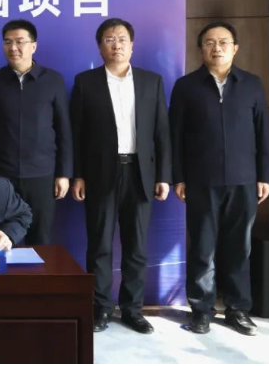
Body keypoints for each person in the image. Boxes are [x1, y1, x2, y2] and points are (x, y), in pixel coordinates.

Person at [170, 22, 269, 336]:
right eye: (210, 42)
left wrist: (265, 176)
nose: (217, 48)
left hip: (244, 180)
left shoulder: (251, 84)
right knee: (202, 248)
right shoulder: (186, 86)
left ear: (235, 48)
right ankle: (201, 310)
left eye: (224, 42)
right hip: (201, 180)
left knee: (238, 248)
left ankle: (237, 309)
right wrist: (178, 177)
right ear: (201, 48)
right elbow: (175, 136)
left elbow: (263, 133)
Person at [70, 18, 171, 334]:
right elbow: (76, 135)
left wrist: (163, 176)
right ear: (100, 47)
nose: (117, 45)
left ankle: (132, 310)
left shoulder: (151, 82)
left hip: (141, 173)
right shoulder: (85, 82)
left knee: (136, 246)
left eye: (122, 39)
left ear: (132, 45)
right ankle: (100, 308)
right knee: (99, 245)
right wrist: (78, 175)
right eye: (109, 39)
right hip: (100, 173)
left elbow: (162, 133)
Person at [0, 19, 72, 245]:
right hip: (1, 175)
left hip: (42, 174)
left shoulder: (52, 80)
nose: (13, 48)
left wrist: (64, 174)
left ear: (33, 46)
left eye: (20, 42)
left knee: (40, 239)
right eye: (8, 42)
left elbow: (64, 130)